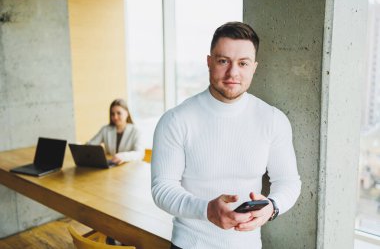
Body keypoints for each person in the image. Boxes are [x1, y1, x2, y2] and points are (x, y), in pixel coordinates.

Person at [151, 22, 301, 249]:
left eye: (243, 63)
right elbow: (162, 188)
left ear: (254, 67)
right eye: (223, 61)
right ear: (209, 62)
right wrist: (206, 210)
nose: (233, 73)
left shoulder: (273, 119)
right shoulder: (176, 120)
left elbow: (288, 182)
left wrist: (272, 206)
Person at [87, 98, 145, 164]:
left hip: (129, 167)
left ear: (127, 113)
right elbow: (91, 145)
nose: (115, 117)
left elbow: (140, 154)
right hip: (112, 166)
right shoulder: (105, 129)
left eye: (119, 113)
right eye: (112, 114)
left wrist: (124, 156)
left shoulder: (136, 131)